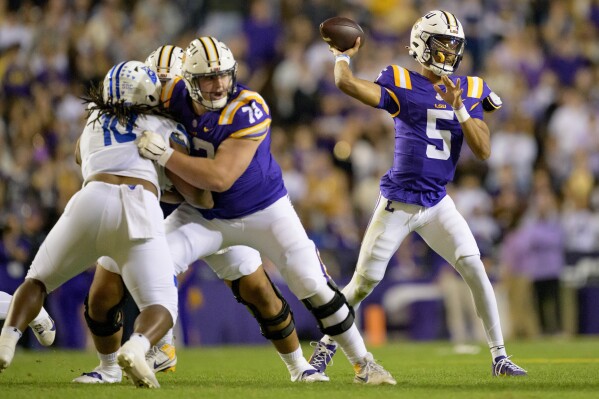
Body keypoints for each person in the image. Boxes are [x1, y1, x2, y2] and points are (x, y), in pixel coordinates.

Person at [136, 36, 396, 385]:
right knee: (154, 261)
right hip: (204, 216)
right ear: (187, 81)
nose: (218, 85)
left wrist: (165, 155)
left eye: (224, 75)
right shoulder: (173, 97)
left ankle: (364, 363)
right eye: (208, 79)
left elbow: (220, 178)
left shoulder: (247, 106)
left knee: (312, 283)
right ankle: (163, 349)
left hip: (264, 210)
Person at [74, 45, 323, 384]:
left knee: (259, 290)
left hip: (207, 212)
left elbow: (205, 195)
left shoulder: (203, 111)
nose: (158, 93)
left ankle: (299, 366)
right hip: (146, 208)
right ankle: (111, 368)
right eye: (155, 82)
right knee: (103, 291)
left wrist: (168, 169)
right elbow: (81, 153)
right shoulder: (131, 115)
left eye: (168, 82)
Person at [307, 10, 527, 377]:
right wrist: (341, 56)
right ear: (421, 46)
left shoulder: (469, 90)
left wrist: (458, 107)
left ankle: (500, 357)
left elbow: (484, 150)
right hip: (399, 202)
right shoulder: (400, 81)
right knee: (362, 284)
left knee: (475, 268)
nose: (449, 55)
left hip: (438, 202)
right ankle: (324, 350)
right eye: (442, 47)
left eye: (454, 47)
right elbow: (347, 84)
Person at [0, 61, 185, 388]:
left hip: (91, 199)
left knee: (38, 280)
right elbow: (186, 177)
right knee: (162, 306)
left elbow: (77, 156)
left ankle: (8, 340)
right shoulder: (163, 122)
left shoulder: (95, 120)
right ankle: (138, 347)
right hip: (139, 206)